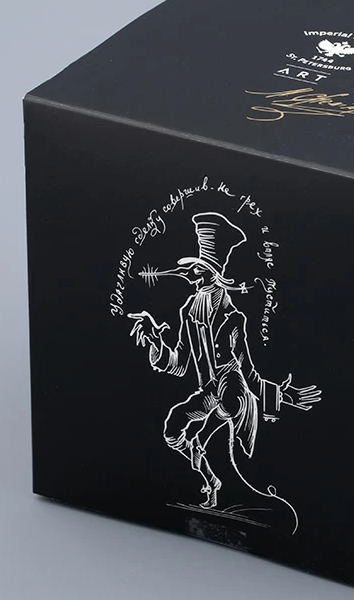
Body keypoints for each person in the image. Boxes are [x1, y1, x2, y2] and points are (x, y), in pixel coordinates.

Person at [128, 212, 320, 509]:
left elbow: (248, 371)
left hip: (231, 384)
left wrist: (283, 396)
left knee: (230, 401)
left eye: (196, 271)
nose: (190, 277)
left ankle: (206, 437)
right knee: (173, 427)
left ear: (213, 274)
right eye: (190, 272)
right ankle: (210, 479)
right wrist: (156, 342)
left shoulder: (233, 319)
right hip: (209, 389)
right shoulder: (189, 312)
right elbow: (180, 364)